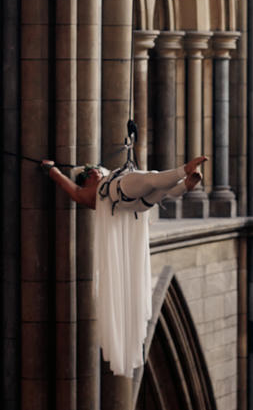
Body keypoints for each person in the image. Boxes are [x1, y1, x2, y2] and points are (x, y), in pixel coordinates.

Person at [40, 155, 206, 378]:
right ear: (86, 182)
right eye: (89, 173)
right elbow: (71, 189)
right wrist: (52, 171)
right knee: (150, 179)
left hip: (133, 203)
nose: (94, 172)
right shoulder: (89, 194)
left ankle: (184, 186)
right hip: (121, 193)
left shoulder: (106, 179)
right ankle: (183, 171)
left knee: (156, 189)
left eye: (95, 169)